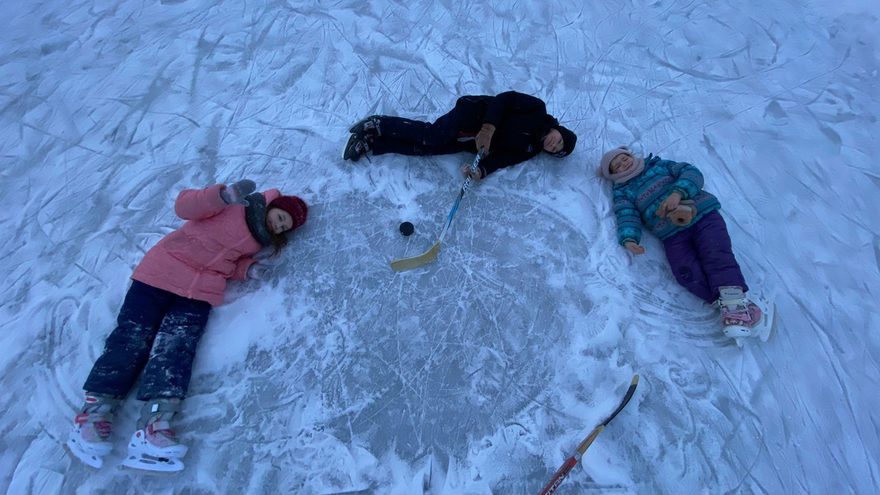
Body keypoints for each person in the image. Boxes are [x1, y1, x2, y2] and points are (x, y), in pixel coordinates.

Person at [66, 180, 308, 472]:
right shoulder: (234, 207)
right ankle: (95, 414)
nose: (278, 227)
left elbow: (229, 264)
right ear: (273, 206)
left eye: (283, 228)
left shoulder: (257, 243)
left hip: (198, 293)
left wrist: (247, 269)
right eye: (280, 218)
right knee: (132, 338)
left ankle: (156, 425)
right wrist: (220, 196)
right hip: (160, 273)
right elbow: (185, 207)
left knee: (176, 351)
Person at [597, 146, 771, 342]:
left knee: (715, 255)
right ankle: (729, 304)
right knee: (685, 271)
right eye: (616, 167)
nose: (623, 164)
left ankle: (734, 306)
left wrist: (677, 193)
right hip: (671, 233)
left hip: (702, 214)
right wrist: (629, 238)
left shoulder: (658, 166)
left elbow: (692, 172)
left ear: (630, 155)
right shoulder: (623, 191)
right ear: (613, 175)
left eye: (623, 158)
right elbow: (626, 214)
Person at [343, 90, 577, 181]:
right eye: (559, 140)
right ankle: (378, 124)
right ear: (558, 130)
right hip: (472, 114)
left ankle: (373, 143)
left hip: (470, 143)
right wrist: (488, 128)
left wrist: (481, 170)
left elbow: (503, 158)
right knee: (432, 135)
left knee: (427, 149)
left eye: (556, 150)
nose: (553, 145)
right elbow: (504, 99)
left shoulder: (529, 150)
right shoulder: (538, 109)